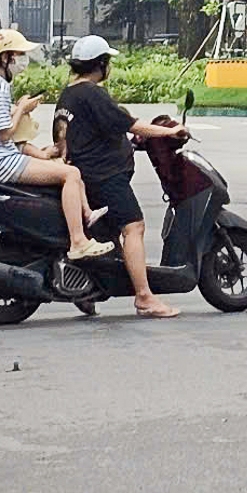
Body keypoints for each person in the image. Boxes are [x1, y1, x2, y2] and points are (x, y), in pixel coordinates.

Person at [54, 37, 185, 318]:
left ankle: (88, 291)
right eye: (107, 62)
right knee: (133, 228)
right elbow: (130, 123)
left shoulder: (70, 94)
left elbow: (94, 130)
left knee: (105, 234)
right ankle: (144, 297)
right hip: (105, 177)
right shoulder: (93, 93)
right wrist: (170, 132)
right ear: (100, 64)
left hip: (87, 176)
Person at [0, 28, 110, 261]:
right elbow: (5, 134)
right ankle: (78, 242)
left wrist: (40, 150)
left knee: (59, 164)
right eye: (19, 54)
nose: (24, 59)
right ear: (5, 58)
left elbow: (6, 132)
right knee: (71, 174)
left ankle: (87, 214)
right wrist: (22, 108)